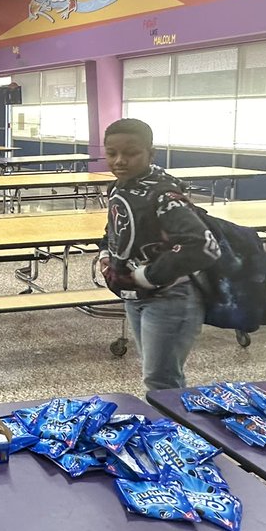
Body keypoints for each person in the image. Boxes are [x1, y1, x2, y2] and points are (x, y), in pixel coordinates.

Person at [97, 117, 220, 391]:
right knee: (155, 375)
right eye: (111, 153)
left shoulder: (164, 194)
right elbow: (115, 226)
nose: (119, 161)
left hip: (170, 298)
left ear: (150, 154)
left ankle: (176, 431)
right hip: (134, 296)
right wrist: (106, 251)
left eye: (131, 153)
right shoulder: (119, 187)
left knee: (162, 381)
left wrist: (148, 275)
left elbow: (204, 245)